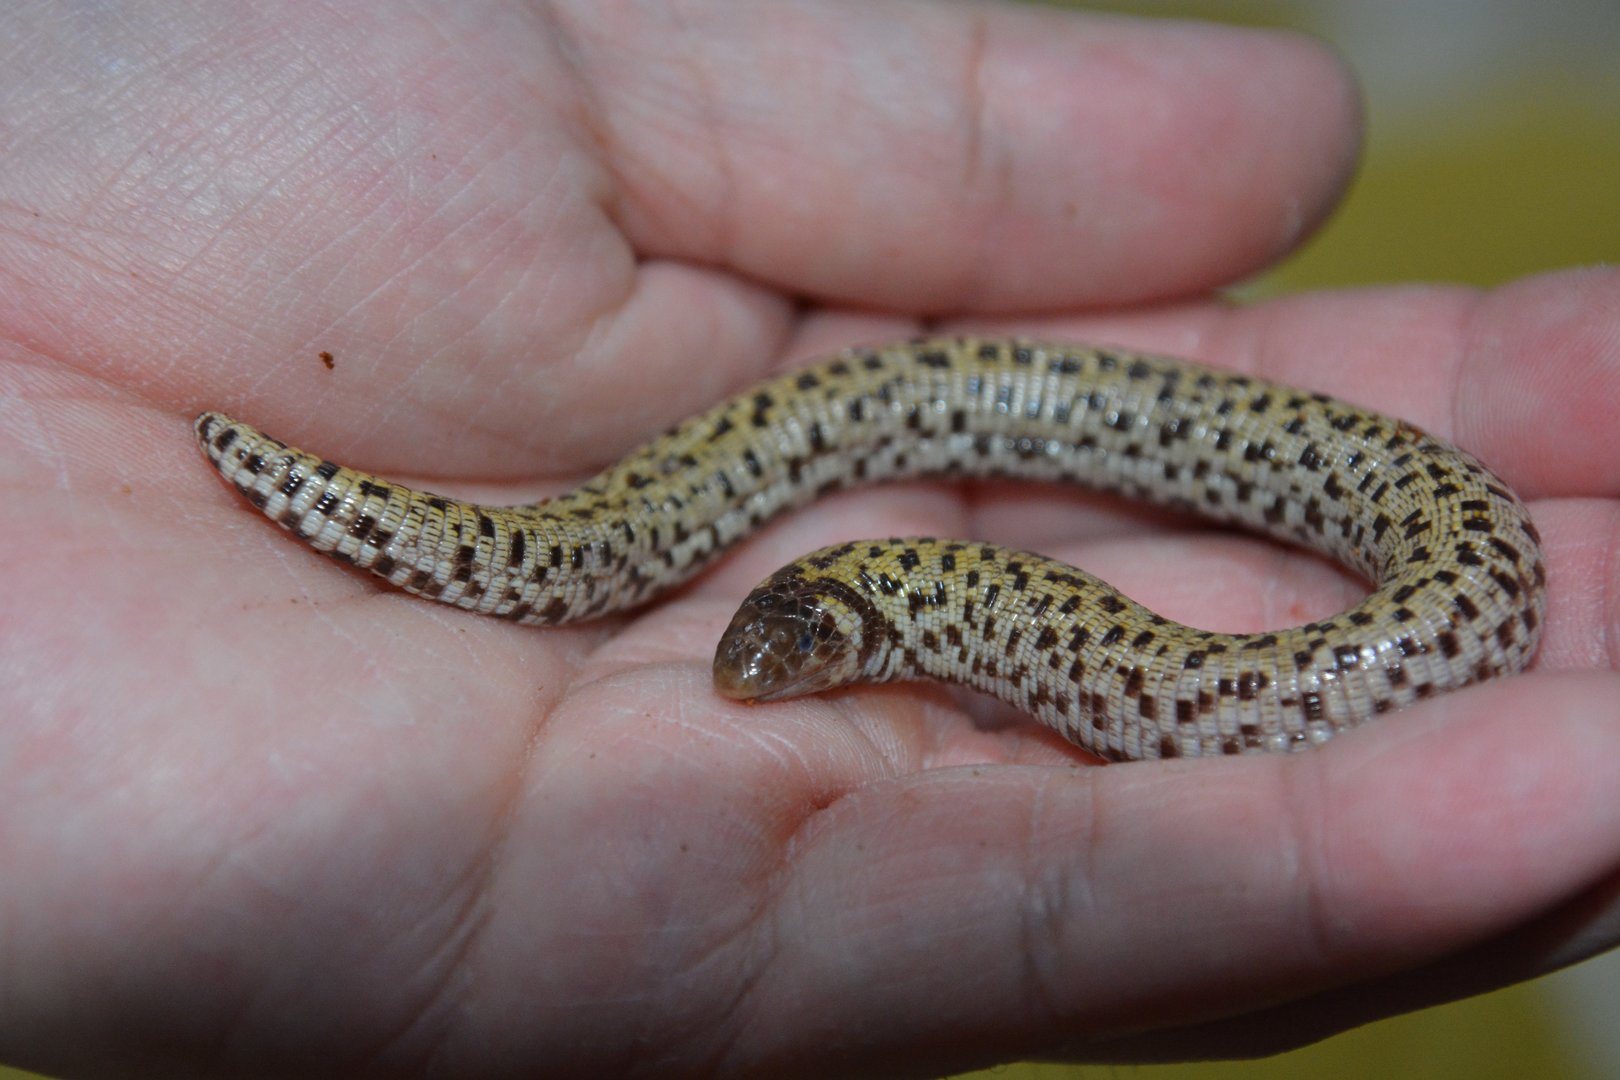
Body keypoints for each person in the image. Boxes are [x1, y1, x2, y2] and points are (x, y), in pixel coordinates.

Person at [2, 2, 1615, 1076]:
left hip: (1426, 553)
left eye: (799, 646)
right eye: (780, 639)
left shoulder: (967, 591)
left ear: (874, 628)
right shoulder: (835, 564)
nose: (761, 672)